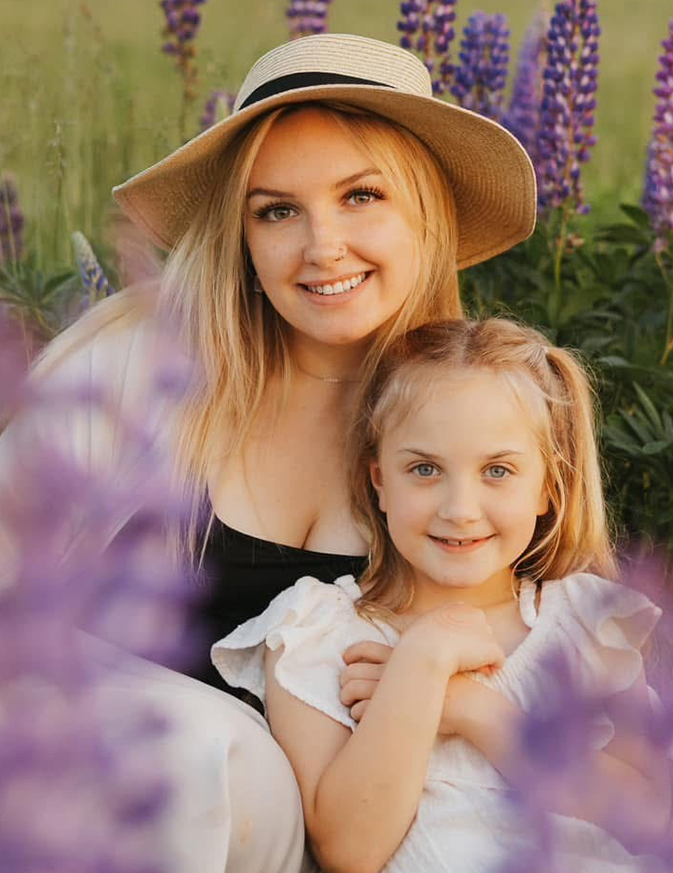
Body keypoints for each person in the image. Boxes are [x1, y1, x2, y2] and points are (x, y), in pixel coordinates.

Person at [0, 34, 539, 873]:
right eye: (276, 209)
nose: (321, 245)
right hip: (85, 796)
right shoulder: (142, 364)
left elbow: (551, 668)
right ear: (241, 234)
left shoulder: (470, 422)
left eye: (361, 196)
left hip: (330, 841)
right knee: (192, 746)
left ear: (425, 213)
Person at [212, 317, 673, 873]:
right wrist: (423, 662)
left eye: (497, 470)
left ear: (548, 485)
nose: (459, 508)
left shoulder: (586, 623)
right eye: (424, 469)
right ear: (379, 481)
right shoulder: (318, 633)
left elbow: (643, 817)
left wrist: (468, 708)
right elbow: (348, 849)